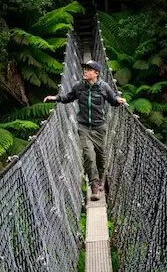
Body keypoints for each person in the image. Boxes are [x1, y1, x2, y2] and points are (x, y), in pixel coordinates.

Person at [44, 60, 127, 201]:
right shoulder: (79, 87)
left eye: (88, 69)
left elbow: (113, 100)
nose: (85, 71)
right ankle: (94, 185)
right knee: (89, 155)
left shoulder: (104, 87)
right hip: (83, 127)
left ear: (96, 73)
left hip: (100, 127)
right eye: (85, 69)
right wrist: (55, 98)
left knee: (101, 157)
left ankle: (101, 180)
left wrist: (119, 100)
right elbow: (68, 97)